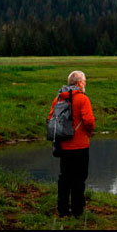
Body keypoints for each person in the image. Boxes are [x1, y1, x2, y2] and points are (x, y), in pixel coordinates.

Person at [48, 70, 95, 218]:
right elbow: (89, 121)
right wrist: (87, 133)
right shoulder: (82, 99)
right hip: (80, 145)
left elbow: (51, 118)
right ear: (78, 82)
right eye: (84, 80)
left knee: (64, 178)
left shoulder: (58, 99)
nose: (85, 83)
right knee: (79, 178)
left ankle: (62, 210)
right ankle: (77, 211)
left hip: (63, 145)